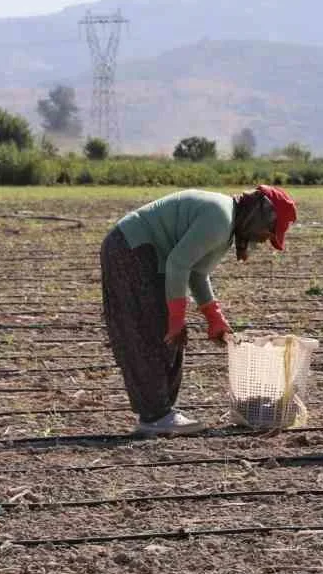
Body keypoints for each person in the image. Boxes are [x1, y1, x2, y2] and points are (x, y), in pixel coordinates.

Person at [101, 186, 297, 436]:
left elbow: (197, 273)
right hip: (132, 248)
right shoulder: (220, 218)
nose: (262, 239)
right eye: (268, 231)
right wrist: (176, 320)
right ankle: (155, 416)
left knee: (163, 332)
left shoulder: (224, 224)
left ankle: (160, 413)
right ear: (258, 216)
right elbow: (178, 263)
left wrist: (214, 318)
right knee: (152, 332)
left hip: (139, 250)